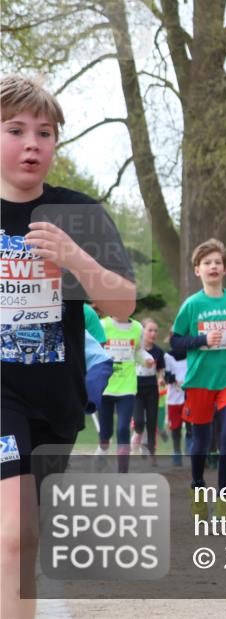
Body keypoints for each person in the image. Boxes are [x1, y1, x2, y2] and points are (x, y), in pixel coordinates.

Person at [1, 75, 136, 619]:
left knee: (27, 539)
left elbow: (123, 304)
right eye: (16, 129)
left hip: (57, 401)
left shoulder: (79, 213)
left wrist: (76, 257)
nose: (33, 143)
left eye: (45, 132)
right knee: (14, 532)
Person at [170, 238, 226, 521]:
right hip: (200, 379)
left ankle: (225, 499)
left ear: (225, 269)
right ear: (197, 270)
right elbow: (176, 342)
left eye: (218, 262)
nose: (213, 267)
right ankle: (198, 487)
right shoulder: (192, 305)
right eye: (207, 263)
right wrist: (202, 339)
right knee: (200, 443)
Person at [99, 313, 145, 473]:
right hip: (105, 387)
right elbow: (94, 349)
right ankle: (102, 453)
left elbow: (139, 351)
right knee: (106, 433)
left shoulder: (138, 328)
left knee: (123, 428)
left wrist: (147, 359)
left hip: (127, 387)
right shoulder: (103, 325)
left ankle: (123, 472)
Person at [132, 318, 166, 464]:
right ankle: (137, 434)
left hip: (152, 388)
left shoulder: (158, 351)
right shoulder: (135, 349)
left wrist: (161, 378)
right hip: (136, 387)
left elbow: (161, 369)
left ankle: (152, 453)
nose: (153, 334)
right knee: (139, 421)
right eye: (150, 330)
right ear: (143, 331)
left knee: (152, 422)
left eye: (155, 331)